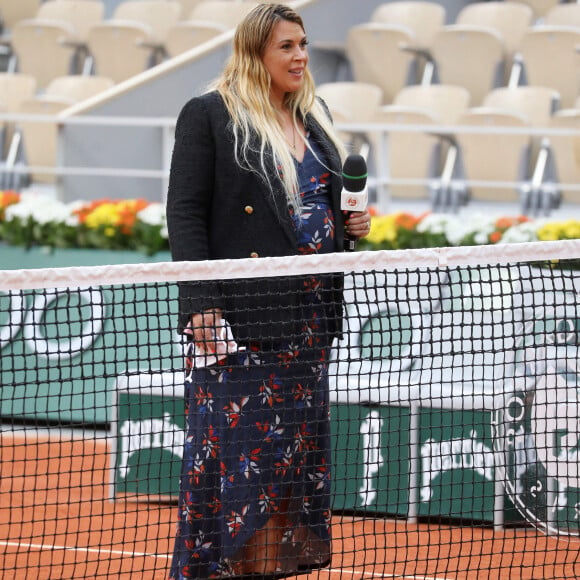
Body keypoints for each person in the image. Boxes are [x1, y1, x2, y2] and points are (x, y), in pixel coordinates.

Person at [165, 3, 371, 579]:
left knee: (290, 469)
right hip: (243, 320)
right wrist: (200, 304)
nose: (301, 55)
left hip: (310, 320)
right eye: (286, 46)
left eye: (303, 44)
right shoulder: (209, 114)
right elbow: (185, 214)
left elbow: (318, 206)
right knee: (240, 470)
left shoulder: (315, 114)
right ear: (255, 52)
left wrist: (351, 225)